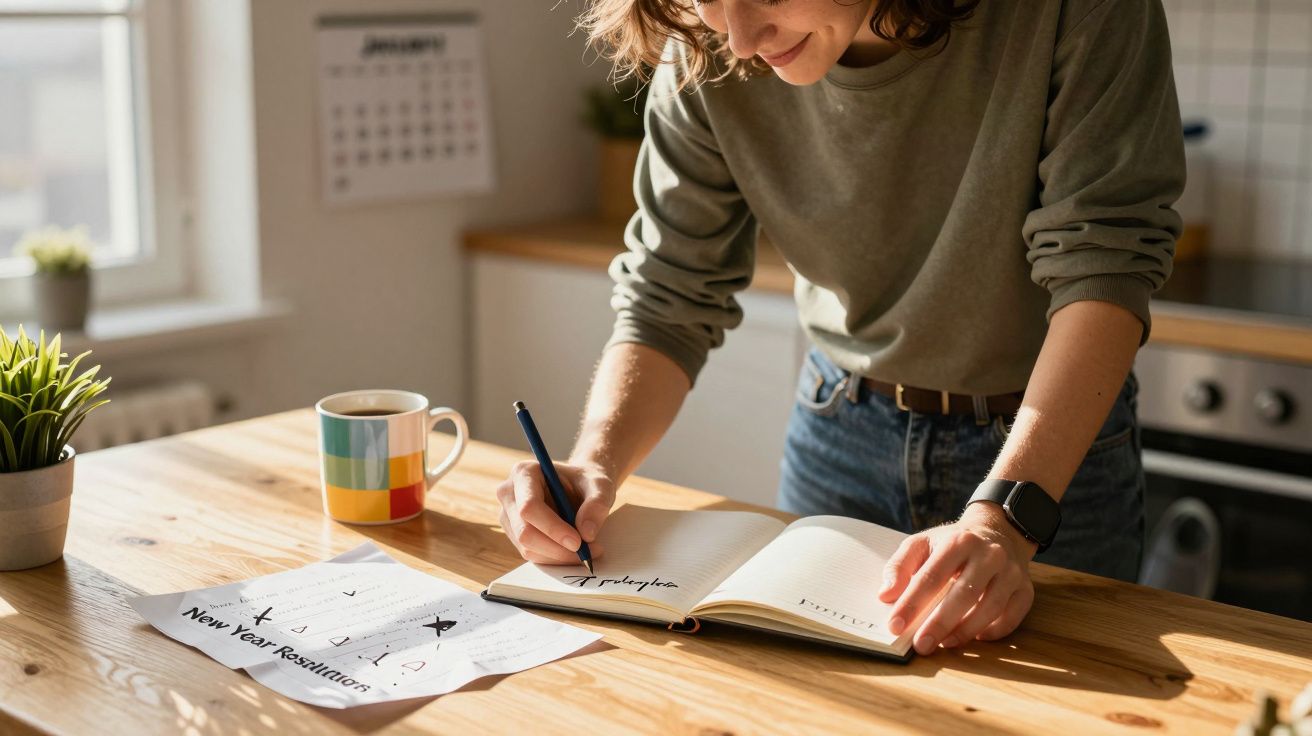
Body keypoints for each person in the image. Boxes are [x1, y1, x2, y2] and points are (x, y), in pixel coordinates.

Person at [495, 0, 1183, 656]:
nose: (739, 39)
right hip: (840, 431)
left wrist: (1005, 520)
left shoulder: (1074, 12)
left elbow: (1104, 269)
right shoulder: (707, 45)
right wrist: (594, 462)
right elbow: (668, 292)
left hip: (1046, 453)